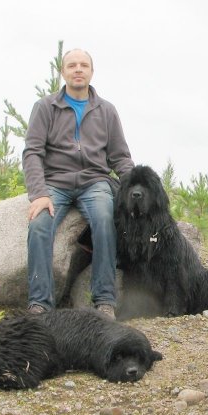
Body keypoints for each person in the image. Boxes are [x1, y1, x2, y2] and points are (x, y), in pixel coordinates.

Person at [22, 48, 133, 318]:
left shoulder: (106, 111)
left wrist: (135, 188)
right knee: (39, 225)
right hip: (55, 183)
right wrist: (38, 193)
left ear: (92, 72)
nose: (78, 69)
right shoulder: (45, 107)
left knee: (105, 219)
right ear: (63, 72)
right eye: (72, 65)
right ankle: (40, 304)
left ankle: (105, 301)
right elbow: (32, 152)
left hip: (94, 181)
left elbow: (120, 157)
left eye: (84, 65)